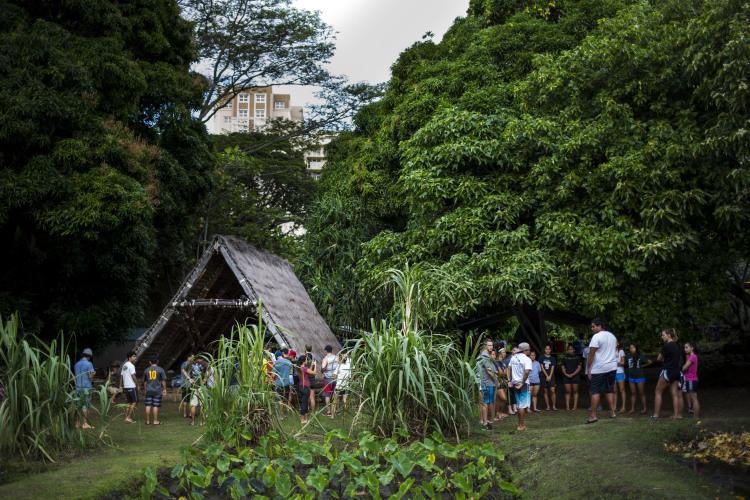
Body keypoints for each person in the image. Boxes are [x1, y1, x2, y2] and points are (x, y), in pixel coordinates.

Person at [585, 318, 618, 423]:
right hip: (612, 367)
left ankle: (593, 415)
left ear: (600, 326)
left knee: (595, 391)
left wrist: (589, 368)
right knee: (609, 390)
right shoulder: (612, 336)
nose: (592, 328)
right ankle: (612, 412)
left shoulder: (596, 336)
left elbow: (591, 353)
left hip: (599, 368)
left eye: (593, 326)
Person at [653, 328, 683, 419]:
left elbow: (659, 358)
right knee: (674, 394)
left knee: (658, 391)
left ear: (669, 335)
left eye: (663, 335)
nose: (662, 337)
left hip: (667, 371)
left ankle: (656, 415)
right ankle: (676, 415)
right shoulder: (677, 346)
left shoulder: (666, 346)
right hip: (677, 372)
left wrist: (664, 359)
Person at [509, 343, 532, 431]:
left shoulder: (513, 357)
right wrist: (522, 383)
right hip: (523, 384)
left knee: (519, 405)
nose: (529, 351)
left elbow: (509, 368)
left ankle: (520, 424)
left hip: (515, 383)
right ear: (525, 350)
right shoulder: (527, 359)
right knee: (522, 406)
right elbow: (526, 372)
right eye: (529, 349)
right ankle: (521, 426)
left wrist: (509, 380)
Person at [476, 339, 499, 429]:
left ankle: (486, 421)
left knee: (486, 402)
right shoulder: (485, 356)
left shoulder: (486, 355)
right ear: (485, 346)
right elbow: (489, 372)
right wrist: (496, 381)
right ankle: (485, 422)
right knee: (485, 403)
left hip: (487, 382)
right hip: (485, 382)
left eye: (492, 345)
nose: (491, 347)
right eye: (489, 345)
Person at [626, 342, 651, 414]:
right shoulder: (628, 356)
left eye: (633, 347)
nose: (631, 349)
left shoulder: (640, 355)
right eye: (630, 348)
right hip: (631, 377)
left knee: (641, 393)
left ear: (636, 348)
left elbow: (650, 362)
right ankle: (632, 409)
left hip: (640, 377)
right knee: (633, 393)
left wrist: (642, 366)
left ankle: (644, 409)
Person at [74, 348, 96, 429]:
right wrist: (93, 374)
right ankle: (85, 424)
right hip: (86, 387)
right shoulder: (89, 364)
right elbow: (90, 377)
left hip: (78, 387)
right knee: (85, 406)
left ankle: (77, 423)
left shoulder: (76, 364)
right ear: (89, 356)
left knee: (78, 406)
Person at [143, 357, 167, 426]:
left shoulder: (146, 370)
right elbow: (163, 380)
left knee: (148, 405)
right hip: (157, 391)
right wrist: (165, 389)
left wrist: (145, 389)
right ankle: (155, 421)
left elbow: (145, 382)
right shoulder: (160, 369)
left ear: (150, 362)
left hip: (148, 390)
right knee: (155, 406)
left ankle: (147, 421)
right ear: (157, 361)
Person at [561, 344, 583, 411]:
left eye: (572, 349)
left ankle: (574, 407)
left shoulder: (578, 358)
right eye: (569, 349)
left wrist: (573, 374)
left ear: (574, 350)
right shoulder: (564, 358)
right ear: (567, 350)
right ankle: (567, 407)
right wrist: (566, 374)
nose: (570, 350)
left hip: (575, 376)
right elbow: (563, 367)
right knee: (568, 391)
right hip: (566, 376)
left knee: (575, 391)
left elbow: (579, 367)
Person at [682, 342, 700, 418]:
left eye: (686, 347)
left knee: (694, 398)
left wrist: (683, 366)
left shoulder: (692, 357)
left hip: (691, 380)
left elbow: (684, 368)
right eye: (684, 347)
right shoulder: (691, 356)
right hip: (690, 379)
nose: (685, 349)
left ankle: (696, 417)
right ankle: (695, 416)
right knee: (694, 397)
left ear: (692, 348)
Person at [331, 352, 351, 417]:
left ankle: (332, 415)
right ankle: (345, 415)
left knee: (334, 401)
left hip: (339, 386)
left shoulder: (339, 367)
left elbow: (334, 376)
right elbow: (350, 376)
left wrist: (336, 376)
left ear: (341, 359)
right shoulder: (348, 367)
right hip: (346, 386)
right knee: (345, 400)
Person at [321, 345, 338, 417]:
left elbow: (322, 370)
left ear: (326, 351)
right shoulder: (336, 357)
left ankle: (329, 411)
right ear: (331, 350)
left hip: (328, 379)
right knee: (335, 394)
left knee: (327, 395)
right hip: (335, 378)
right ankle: (335, 410)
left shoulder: (326, 359)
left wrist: (324, 367)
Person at [121, 351, 138, 423]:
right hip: (131, 386)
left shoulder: (124, 365)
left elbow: (121, 376)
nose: (135, 358)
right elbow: (133, 376)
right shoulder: (131, 365)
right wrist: (137, 384)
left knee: (128, 402)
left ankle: (126, 417)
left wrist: (120, 385)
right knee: (134, 402)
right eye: (134, 356)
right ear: (129, 357)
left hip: (126, 387)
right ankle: (128, 417)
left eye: (135, 356)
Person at [539, 344, 557, 411]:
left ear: (550, 350)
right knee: (545, 391)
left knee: (552, 390)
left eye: (549, 349)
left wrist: (549, 376)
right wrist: (546, 376)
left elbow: (553, 367)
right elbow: (542, 367)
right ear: (544, 350)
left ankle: (554, 406)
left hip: (551, 376)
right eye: (546, 349)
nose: (547, 350)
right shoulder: (541, 357)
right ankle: (548, 406)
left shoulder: (553, 358)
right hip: (543, 376)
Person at [297, 354, 314, 424]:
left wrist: (312, 366)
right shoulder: (304, 368)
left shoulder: (300, 367)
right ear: (304, 361)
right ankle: (302, 420)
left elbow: (308, 371)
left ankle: (306, 419)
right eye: (306, 359)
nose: (307, 361)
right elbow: (314, 373)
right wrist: (314, 365)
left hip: (301, 386)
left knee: (305, 402)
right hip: (305, 387)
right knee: (304, 404)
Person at [494, 349, 509, 420]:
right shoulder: (496, 363)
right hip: (498, 382)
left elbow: (505, 373)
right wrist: (502, 372)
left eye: (502, 355)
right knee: (503, 398)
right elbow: (501, 373)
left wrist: (502, 372)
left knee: (501, 400)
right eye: (500, 355)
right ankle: (496, 413)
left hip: (504, 382)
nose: (502, 356)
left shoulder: (503, 363)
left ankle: (499, 413)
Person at [613, 343, 627, 413]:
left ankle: (623, 407)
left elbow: (623, 363)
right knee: (614, 391)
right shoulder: (611, 351)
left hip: (620, 372)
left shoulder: (621, 351)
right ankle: (614, 407)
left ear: (618, 343)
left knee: (622, 390)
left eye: (616, 342)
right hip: (612, 373)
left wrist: (614, 363)